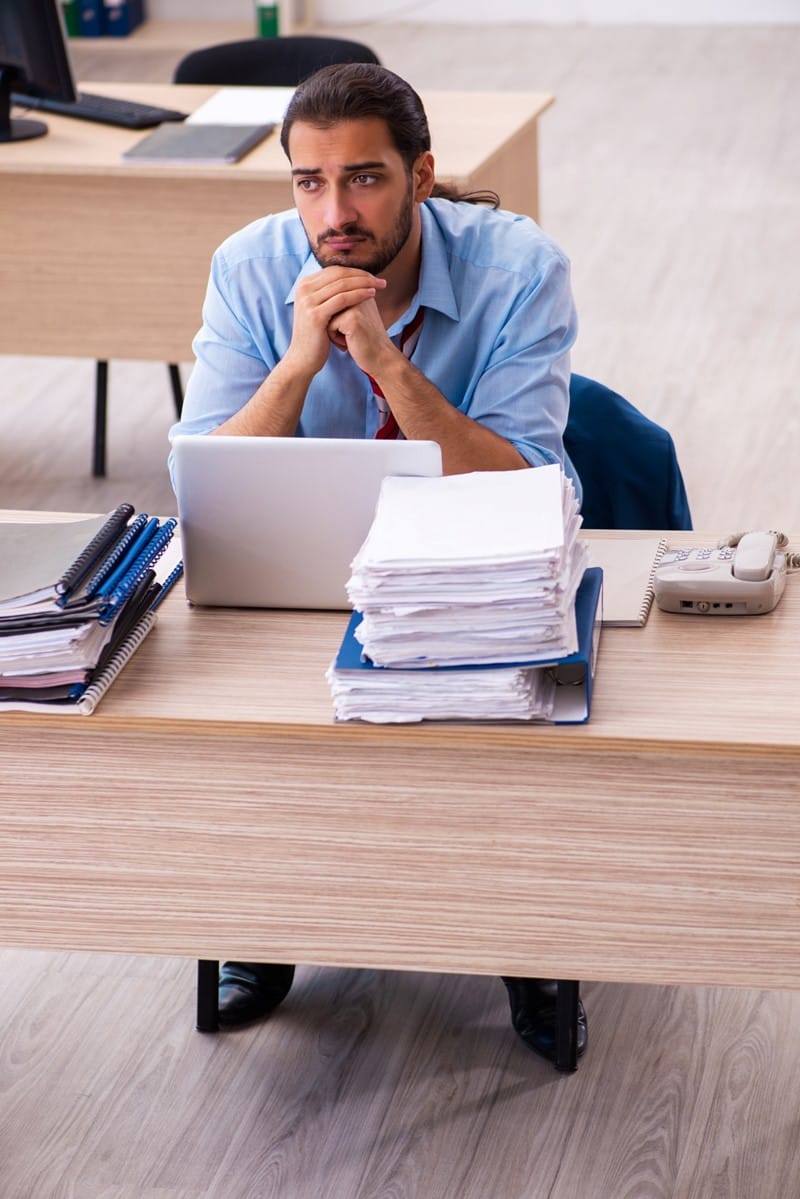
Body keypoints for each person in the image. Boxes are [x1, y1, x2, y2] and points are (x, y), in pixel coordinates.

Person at [169, 62, 587, 1064]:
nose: (333, 210)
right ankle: (263, 918)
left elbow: (518, 475)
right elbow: (204, 477)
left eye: (362, 178)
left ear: (422, 176)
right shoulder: (250, 263)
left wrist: (385, 363)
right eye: (308, 182)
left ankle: (530, 937)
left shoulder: (518, 266)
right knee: (225, 701)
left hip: (479, 561)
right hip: (306, 561)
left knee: (495, 724)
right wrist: (300, 359)